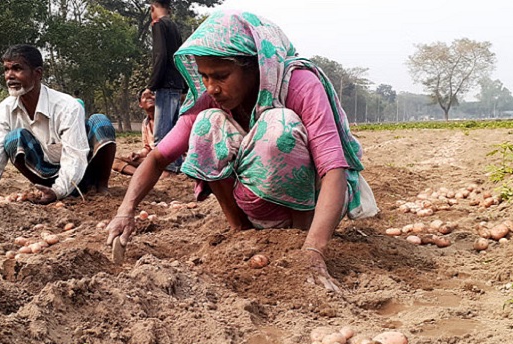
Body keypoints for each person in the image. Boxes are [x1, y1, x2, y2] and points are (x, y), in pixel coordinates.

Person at [106, 10, 377, 292]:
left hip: (312, 209)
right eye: (204, 77)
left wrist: (314, 250)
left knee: (279, 126)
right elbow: (159, 157)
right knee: (205, 124)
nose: (211, 88)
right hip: (257, 209)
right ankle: (240, 229)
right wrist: (125, 211)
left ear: (255, 67)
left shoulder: (298, 83)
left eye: (221, 76)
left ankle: (300, 234)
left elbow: (333, 168)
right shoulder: (209, 100)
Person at [0, 44, 117, 204]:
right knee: (13, 139)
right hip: (46, 174)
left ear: (38, 73)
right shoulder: (4, 110)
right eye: (6, 70)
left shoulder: (67, 106)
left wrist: (59, 190)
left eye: (17, 69)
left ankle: (100, 186)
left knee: (100, 122)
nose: (9, 76)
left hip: (83, 171)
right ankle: (44, 189)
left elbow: (75, 156)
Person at [145, 0, 185, 173]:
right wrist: (184, 86)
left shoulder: (159, 25)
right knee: (175, 130)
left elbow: (160, 56)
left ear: (152, 8)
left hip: (166, 85)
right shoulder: (174, 26)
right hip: (176, 84)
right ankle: (175, 165)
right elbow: (180, 57)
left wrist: (151, 85)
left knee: (162, 133)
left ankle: (167, 168)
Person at [112, 89, 156, 176]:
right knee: (114, 161)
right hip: (150, 159)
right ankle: (141, 175)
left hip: (163, 160)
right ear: (140, 104)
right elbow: (147, 148)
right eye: (145, 97)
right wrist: (138, 154)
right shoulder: (145, 123)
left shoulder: (168, 119)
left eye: (152, 95)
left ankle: (147, 175)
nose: (149, 98)